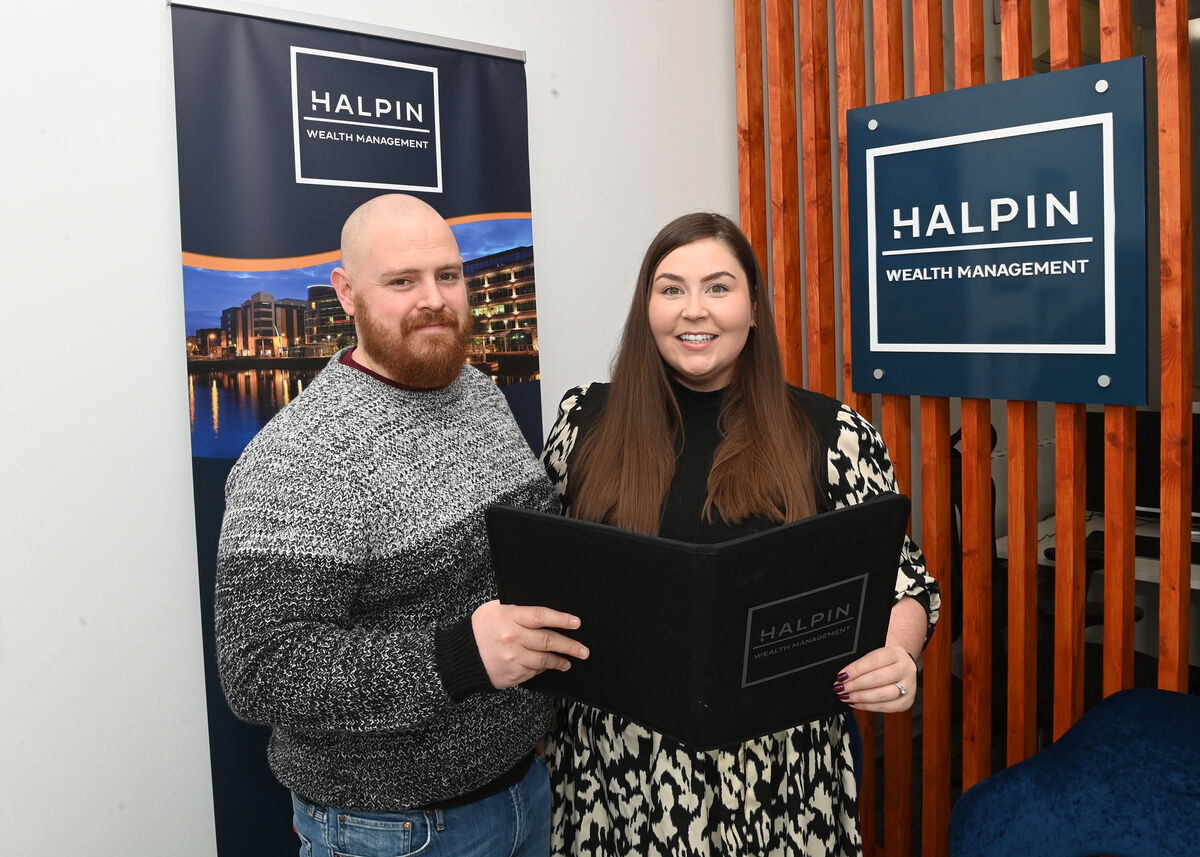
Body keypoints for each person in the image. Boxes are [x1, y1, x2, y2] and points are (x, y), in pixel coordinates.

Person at [539, 212, 941, 856]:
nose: (693, 310)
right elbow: (544, 574)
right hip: (610, 777)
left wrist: (899, 654)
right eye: (671, 289)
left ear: (753, 307)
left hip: (782, 782)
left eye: (718, 287)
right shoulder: (584, 422)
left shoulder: (832, 433)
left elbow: (906, 586)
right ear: (647, 309)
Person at [215, 193, 588, 857]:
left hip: (528, 790)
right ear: (347, 292)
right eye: (402, 281)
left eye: (447, 275)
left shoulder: (476, 390)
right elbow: (258, 670)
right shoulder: (297, 455)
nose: (434, 299)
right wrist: (458, 656)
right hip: (391, 833)